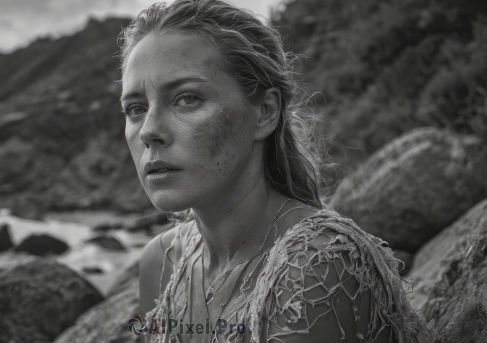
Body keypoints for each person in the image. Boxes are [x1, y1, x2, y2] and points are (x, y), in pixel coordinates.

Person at [118, 0, 429, 342]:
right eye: (135, 108)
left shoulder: (316, 263)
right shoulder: (161, 262)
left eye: (186, 98)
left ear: (265, 112)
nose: (148, 131)